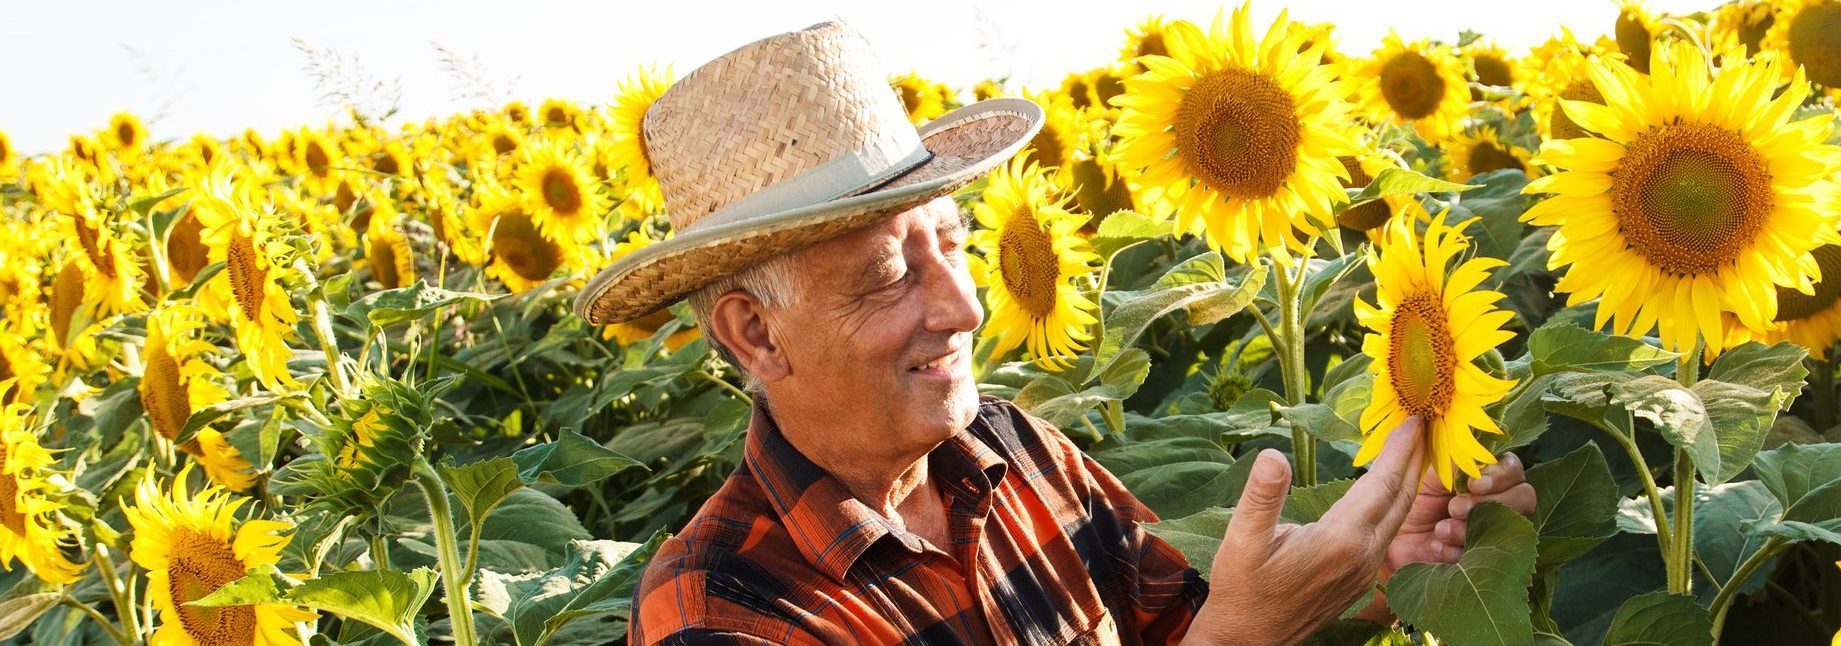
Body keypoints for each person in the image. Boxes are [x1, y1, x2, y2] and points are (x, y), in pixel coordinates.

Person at [574, 21, 1537, 645]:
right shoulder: (723, 610)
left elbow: (1180, 622)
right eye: (887, 278)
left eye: (951, 246)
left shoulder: (1010, 446)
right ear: (755, 334)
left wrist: (1374, 564)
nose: (960, 306)